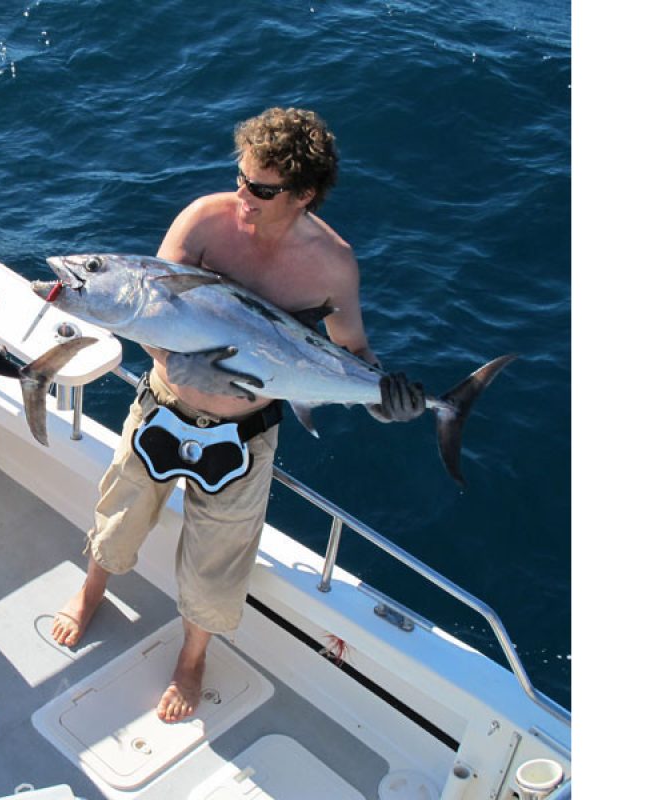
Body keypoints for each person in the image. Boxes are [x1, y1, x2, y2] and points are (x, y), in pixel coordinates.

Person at [49, 108, 425, 722]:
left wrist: (386, 403)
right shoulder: (205, 219)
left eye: (263, 190)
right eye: (242, 178)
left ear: (304, 195)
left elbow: (353, 354)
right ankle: (92, 590)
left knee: (217, 562)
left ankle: (192, 658)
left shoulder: (333, 264)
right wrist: (176, 363)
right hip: (163, 406)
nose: (244, 195)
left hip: (245, 436)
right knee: (118, 516)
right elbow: (145, 312)